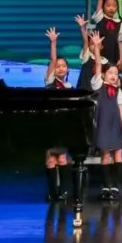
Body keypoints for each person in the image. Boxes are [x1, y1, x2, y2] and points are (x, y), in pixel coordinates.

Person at [90, 34, 122, 201]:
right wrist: (96, 47)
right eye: (110, 72)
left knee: (117, 154)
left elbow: (121, 107)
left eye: (116, 73)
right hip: (103, 125)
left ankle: (115, 186)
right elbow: (97, 64)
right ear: (103, 75)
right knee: (105, 155)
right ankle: (106, 185)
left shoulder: (118, 92)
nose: (113, 75)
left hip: (116, 125)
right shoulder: (98, 85)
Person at [43, 27, 73, 201]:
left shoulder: (69, 87)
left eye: (64, 66)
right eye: (58, 66)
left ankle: (63, 191)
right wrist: (53, 43)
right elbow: (53, 60)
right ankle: (52, 192)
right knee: (50, 159)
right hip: (50, 124)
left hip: (64, 125)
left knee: (62, 158)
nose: (60, 68)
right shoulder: (49, 82)